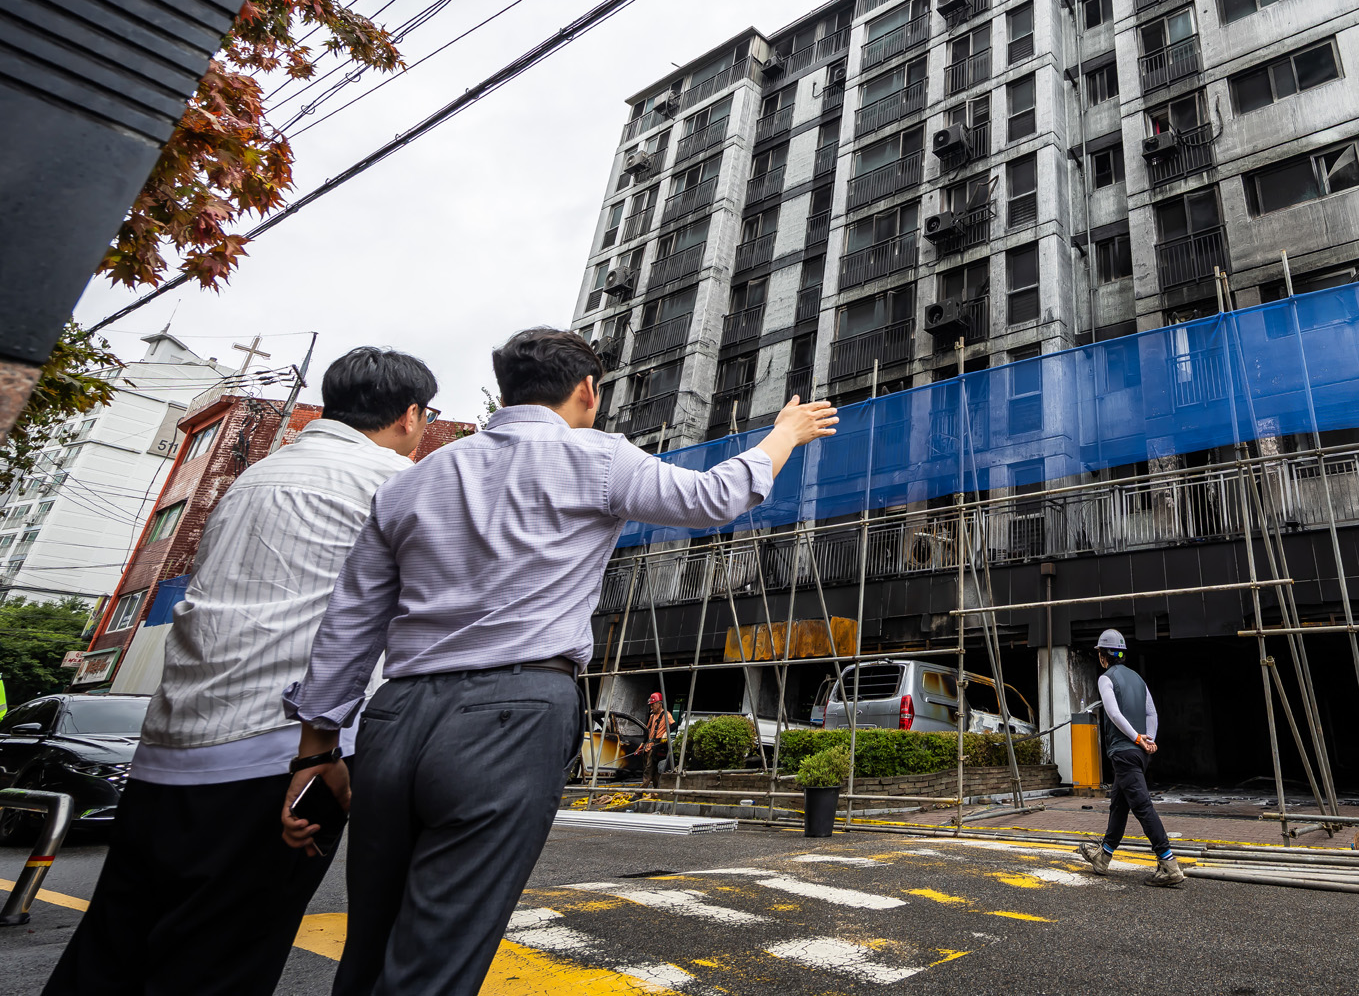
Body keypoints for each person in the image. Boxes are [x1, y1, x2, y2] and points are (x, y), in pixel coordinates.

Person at [280, 327, 837, 996]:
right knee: (439, 952)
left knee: (369, 939)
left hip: (396, 715)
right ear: (587, 391)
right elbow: (713, 498)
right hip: (511, 713)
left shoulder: (418, 477)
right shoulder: (598, 457)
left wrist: (315, 751)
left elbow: (352, 619)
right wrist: (786, 433)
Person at [45, 347, 440, 996]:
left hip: (166, 749)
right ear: (410, 415)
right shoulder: (393, 483)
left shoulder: (255, 476)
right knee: (220, 962)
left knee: (113, 949)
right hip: (275, 760)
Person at [1076, 629, 1186, 888]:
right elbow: (1152, 713)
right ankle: (1103, 856)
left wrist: (1137, 738)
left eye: (1099, 654)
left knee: (1142, 806)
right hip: (1138, 754)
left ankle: (1168, 863)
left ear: (1103, 656)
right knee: (1119, 804)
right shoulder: (1138, 678)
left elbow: (1113, 714)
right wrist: (1148, 740)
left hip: (1124, 752)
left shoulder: (1106, 678)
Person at [641, 691, 673, 787]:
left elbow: (674, 725)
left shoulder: (666, 715)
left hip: (657, 746)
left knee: (648, 770)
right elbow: (648, 731)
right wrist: (642, 744)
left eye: (653, 705)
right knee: (653, 771)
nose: (651, 707)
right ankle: (656, 791)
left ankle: (639, 792)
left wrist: (666, 733)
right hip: (648, 746)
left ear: (659, 704)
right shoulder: (652, 716)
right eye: (650, 705)